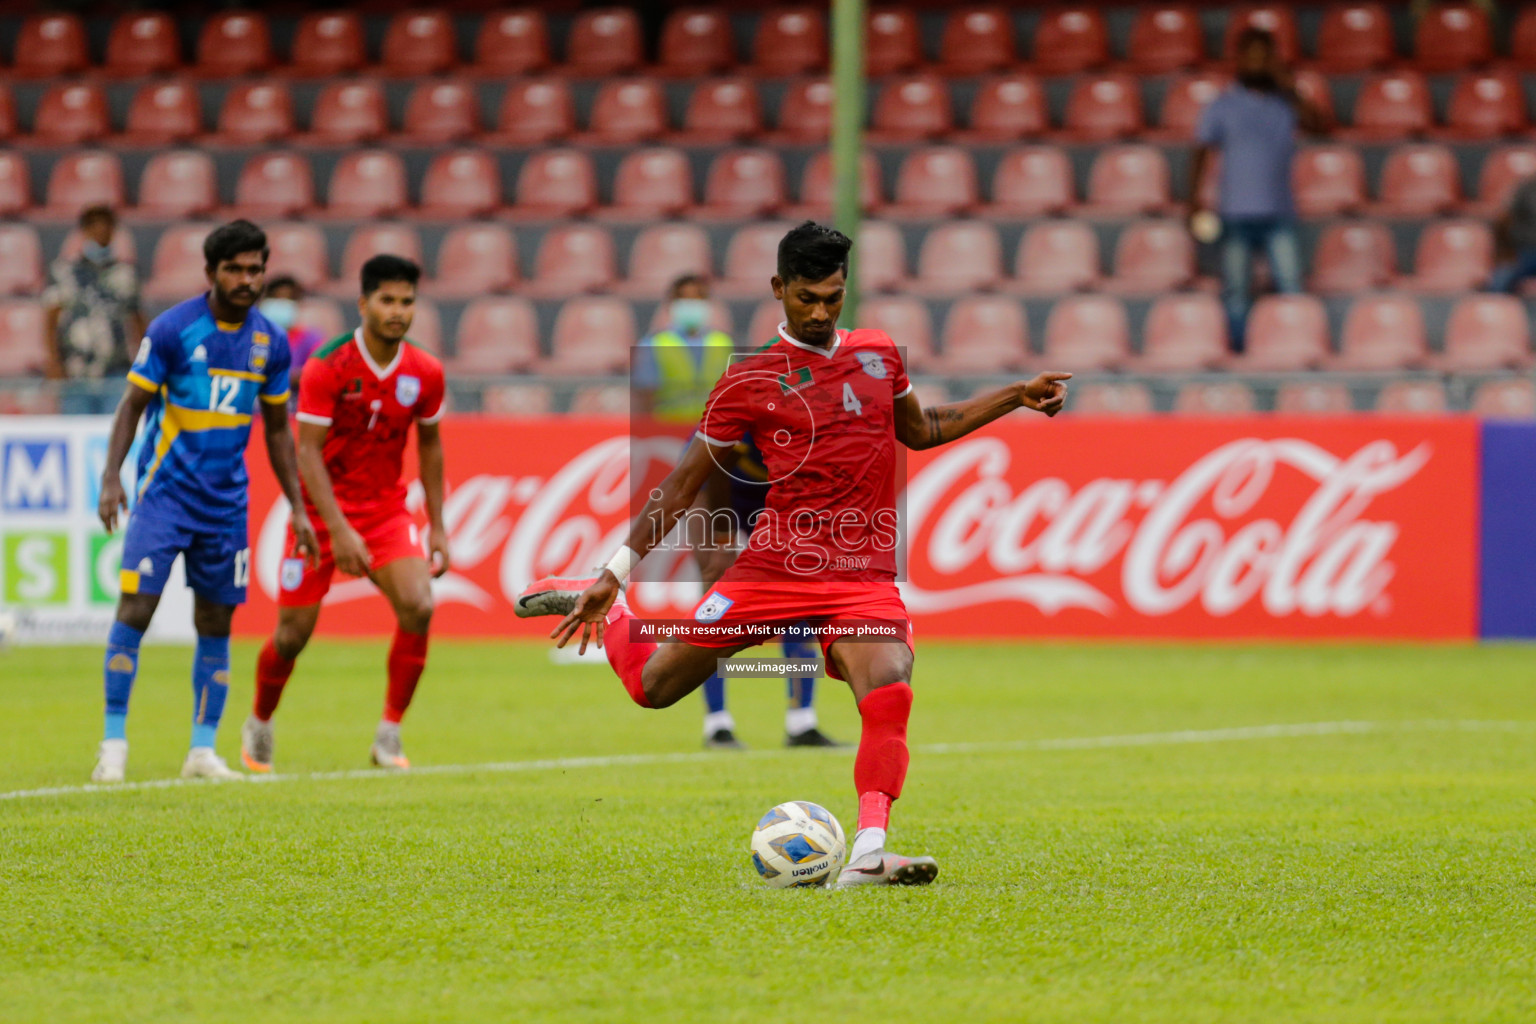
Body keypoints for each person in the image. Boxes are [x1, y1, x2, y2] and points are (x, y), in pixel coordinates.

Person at [515, 223, 1070, 887]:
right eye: (805, 296)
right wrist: (613, 575)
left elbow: (922, 430)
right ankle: (614, 617)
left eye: (832, 297)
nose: (818, 311)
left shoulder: (878, 356)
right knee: (654, 688)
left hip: (861, 576)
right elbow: (681, 484)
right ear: (778, 289)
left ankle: (868, 851)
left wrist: (1014, 395)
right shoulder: (745, 381)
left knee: (889, 683)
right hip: (773, 569)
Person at [91, 220, 317, 783]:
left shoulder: (270, 342)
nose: (247, 280)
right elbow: (132, 406)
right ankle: (113, 745)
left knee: (215, 623)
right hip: (164, 498)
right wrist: (111, 478)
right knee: (135, 611)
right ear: (211, 272)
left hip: (226, 507)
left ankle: (201, 750)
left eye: (255, 269)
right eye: (235, 269)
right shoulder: (174, 329)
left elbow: (277, 431)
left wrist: (298, 506)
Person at [241, 255, 449, 773]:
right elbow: (305, 451)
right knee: (292, 636)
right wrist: (336, 529)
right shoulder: (326, 366)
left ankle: (389, 734)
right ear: (364, 304)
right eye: (387, 300)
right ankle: (260, 721)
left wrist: (439, 526)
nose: (398, 311)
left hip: (383, 512)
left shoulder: (425, 372)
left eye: (407, 301)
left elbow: (431, 448)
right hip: (318, 513)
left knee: (419, 606)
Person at [634, 274, 839, 750]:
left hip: (778, 512)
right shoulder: (738, 405)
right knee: (717, 606)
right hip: (723, 504)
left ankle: (801, 722)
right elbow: (694, 475)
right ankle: (718, 724)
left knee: (800, 612)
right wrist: (718, 540)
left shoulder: (813, 417)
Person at [1190, 27, 1326, 349]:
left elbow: (1320, 127)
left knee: (1291, 285)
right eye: (1250, 53)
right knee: (1236, 290)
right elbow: (1200, 152)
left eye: (1263, 55)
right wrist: (1193, 202)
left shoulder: (1285, 103)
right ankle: (1241, 352)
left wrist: (1289, 87)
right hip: (1235, 213)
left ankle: (1293, 349)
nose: (1257, 61)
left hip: (1280, 211)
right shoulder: (1222, 105)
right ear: (1239, 59)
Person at [43, 205, 147, 414]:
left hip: (116, 367)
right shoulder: (65, 271)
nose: (101, 231)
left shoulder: (125, 273)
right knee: (76, 429)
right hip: (76, 368)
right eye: (95, 226)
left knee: (115, 427)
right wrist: (54, 362)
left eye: (107, 225)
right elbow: (51, 320)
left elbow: (137, 319)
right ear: (84, 231)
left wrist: (145, 361)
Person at [258, 275, 329, 385]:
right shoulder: (254, 336)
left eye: (288, 299)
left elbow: (320, 370)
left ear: (299, 304)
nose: (281, 304)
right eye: (276, 298)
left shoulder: (311, 339)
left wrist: (276, 378)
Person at [1488, 174, 1536, 293]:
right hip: (1526, 252)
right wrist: (1506, 252)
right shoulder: (1527, 188)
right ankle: (1494, 310)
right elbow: (1504, 219)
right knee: (1501, 279)